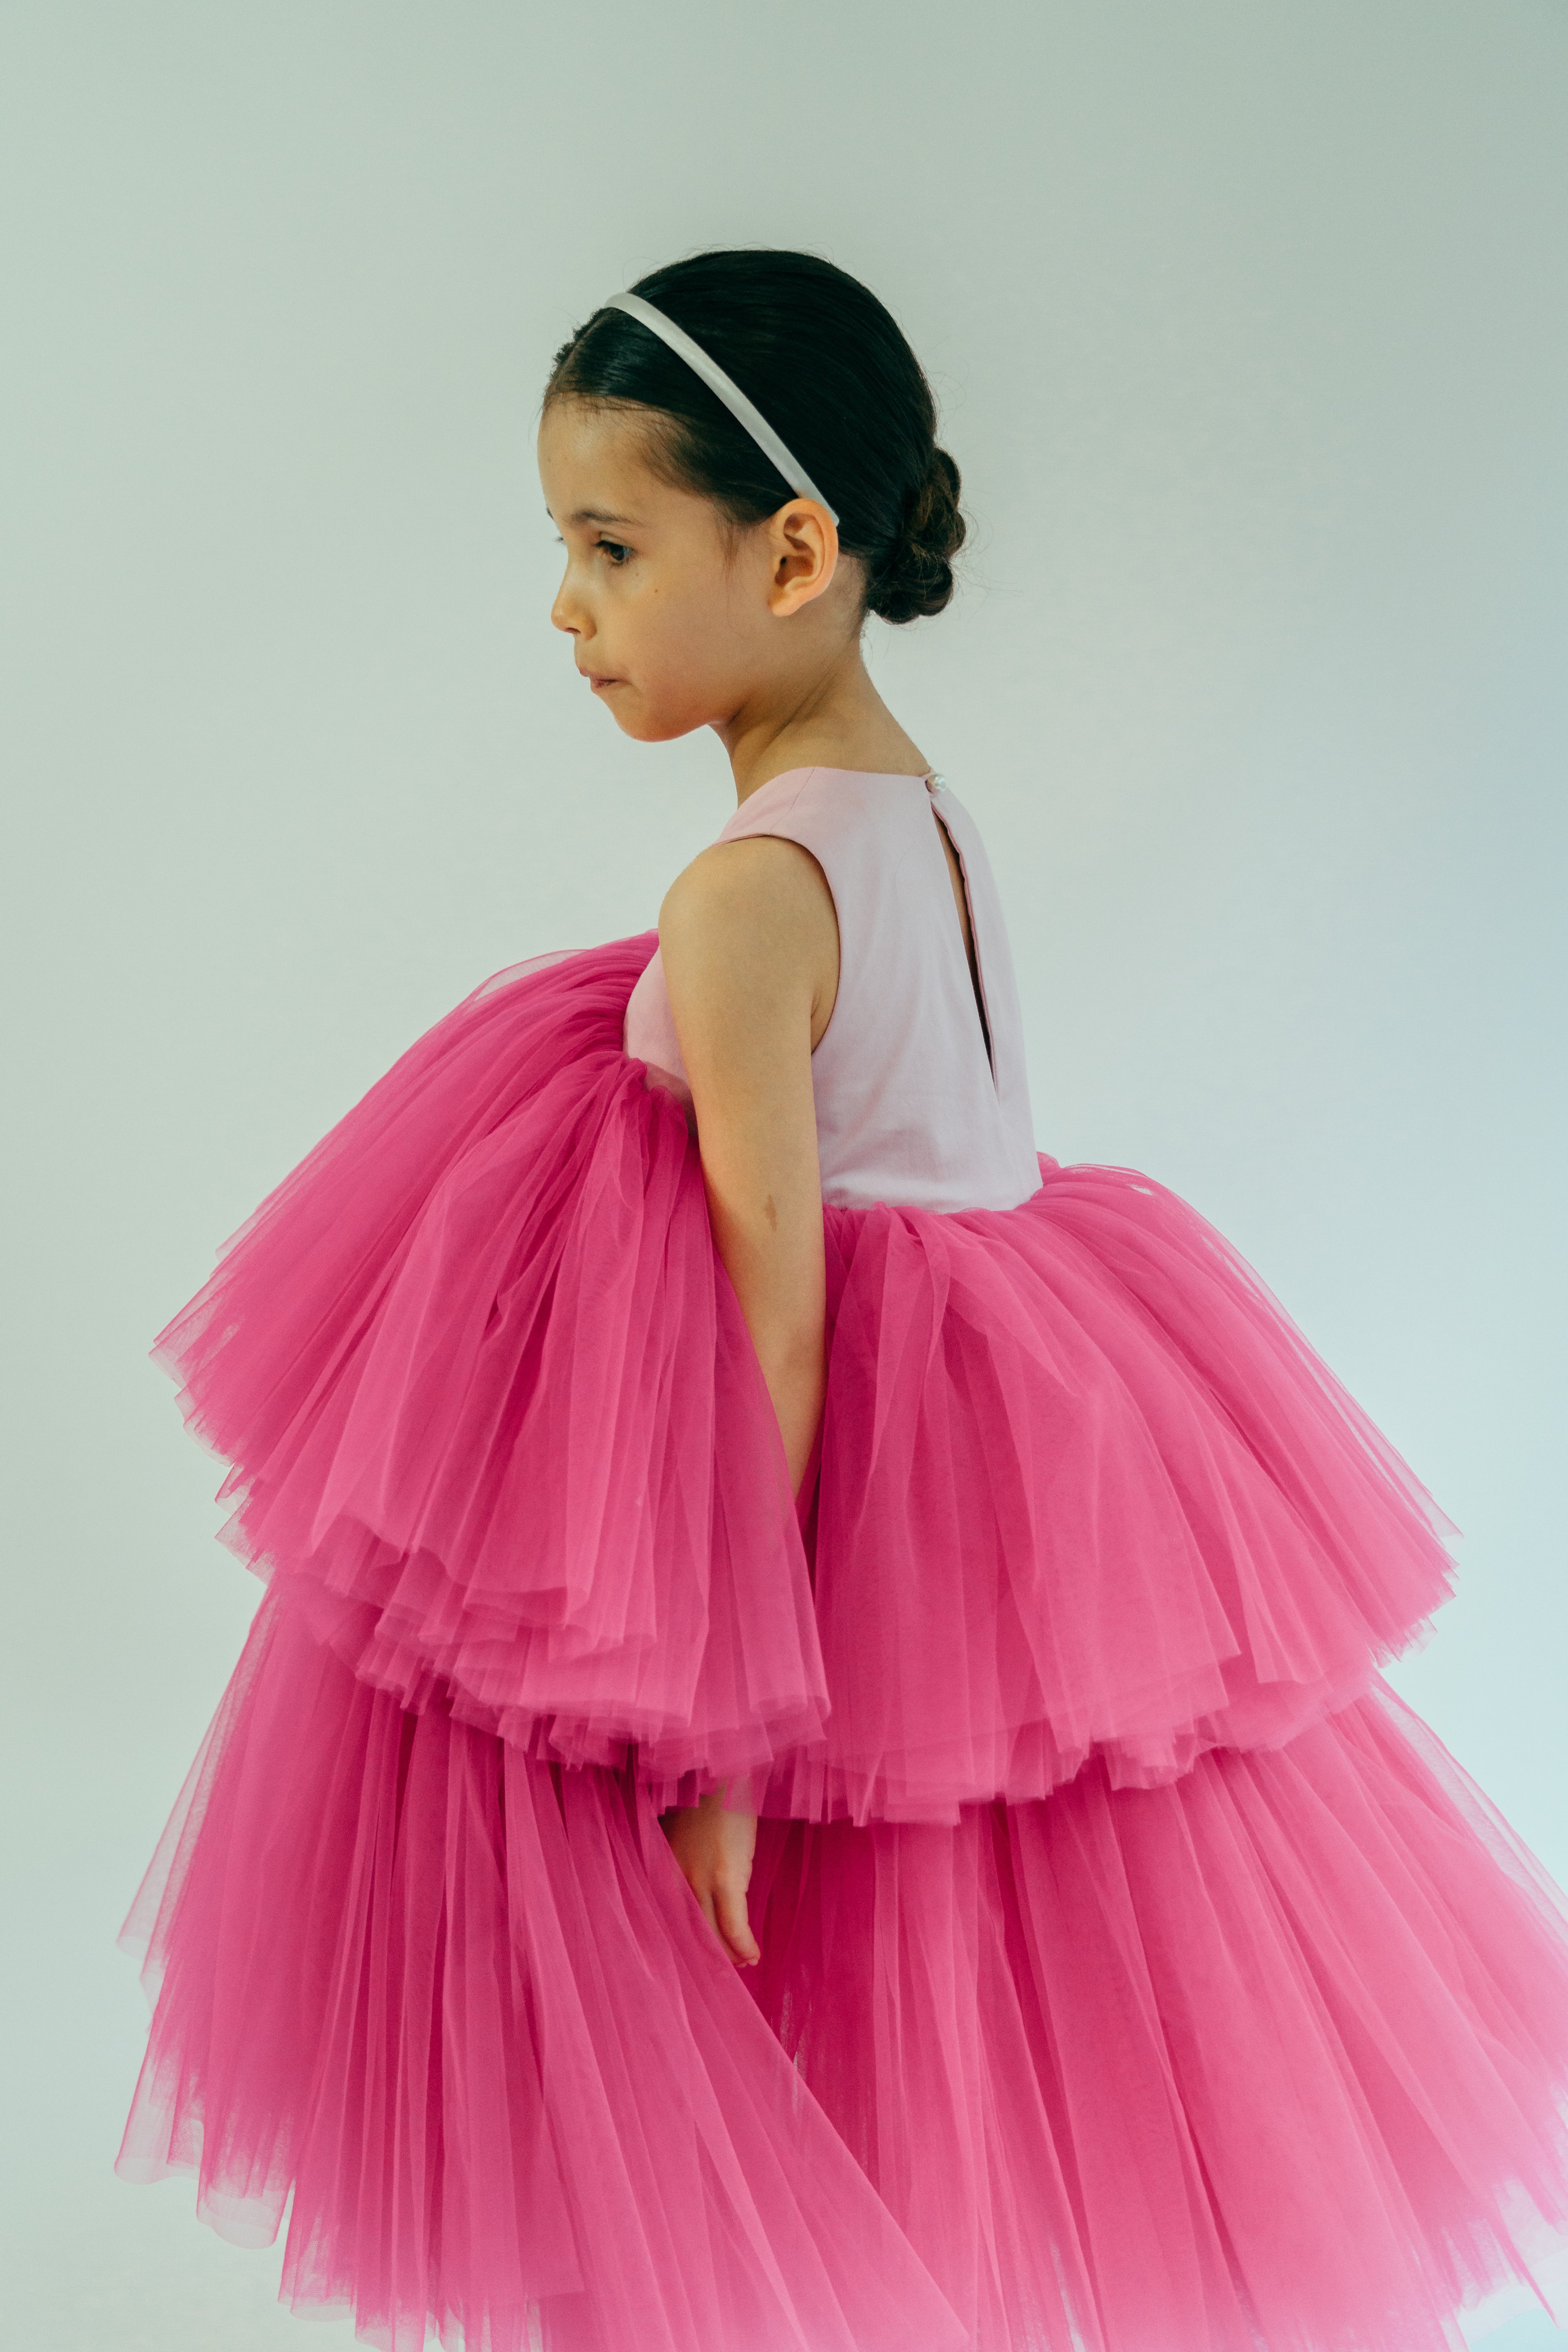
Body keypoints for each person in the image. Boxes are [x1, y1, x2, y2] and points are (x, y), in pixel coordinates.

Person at [116, 248, 1568, 2352]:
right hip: (983, 1505)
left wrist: (722, 1734)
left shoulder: (751, 895)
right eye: (566, 550)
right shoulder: (928, 826)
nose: (568, 607)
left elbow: (773, 1315)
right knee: (937, 2027)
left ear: (793, 552)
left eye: (612, 548)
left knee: (740, 2045)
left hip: (813, 1561)